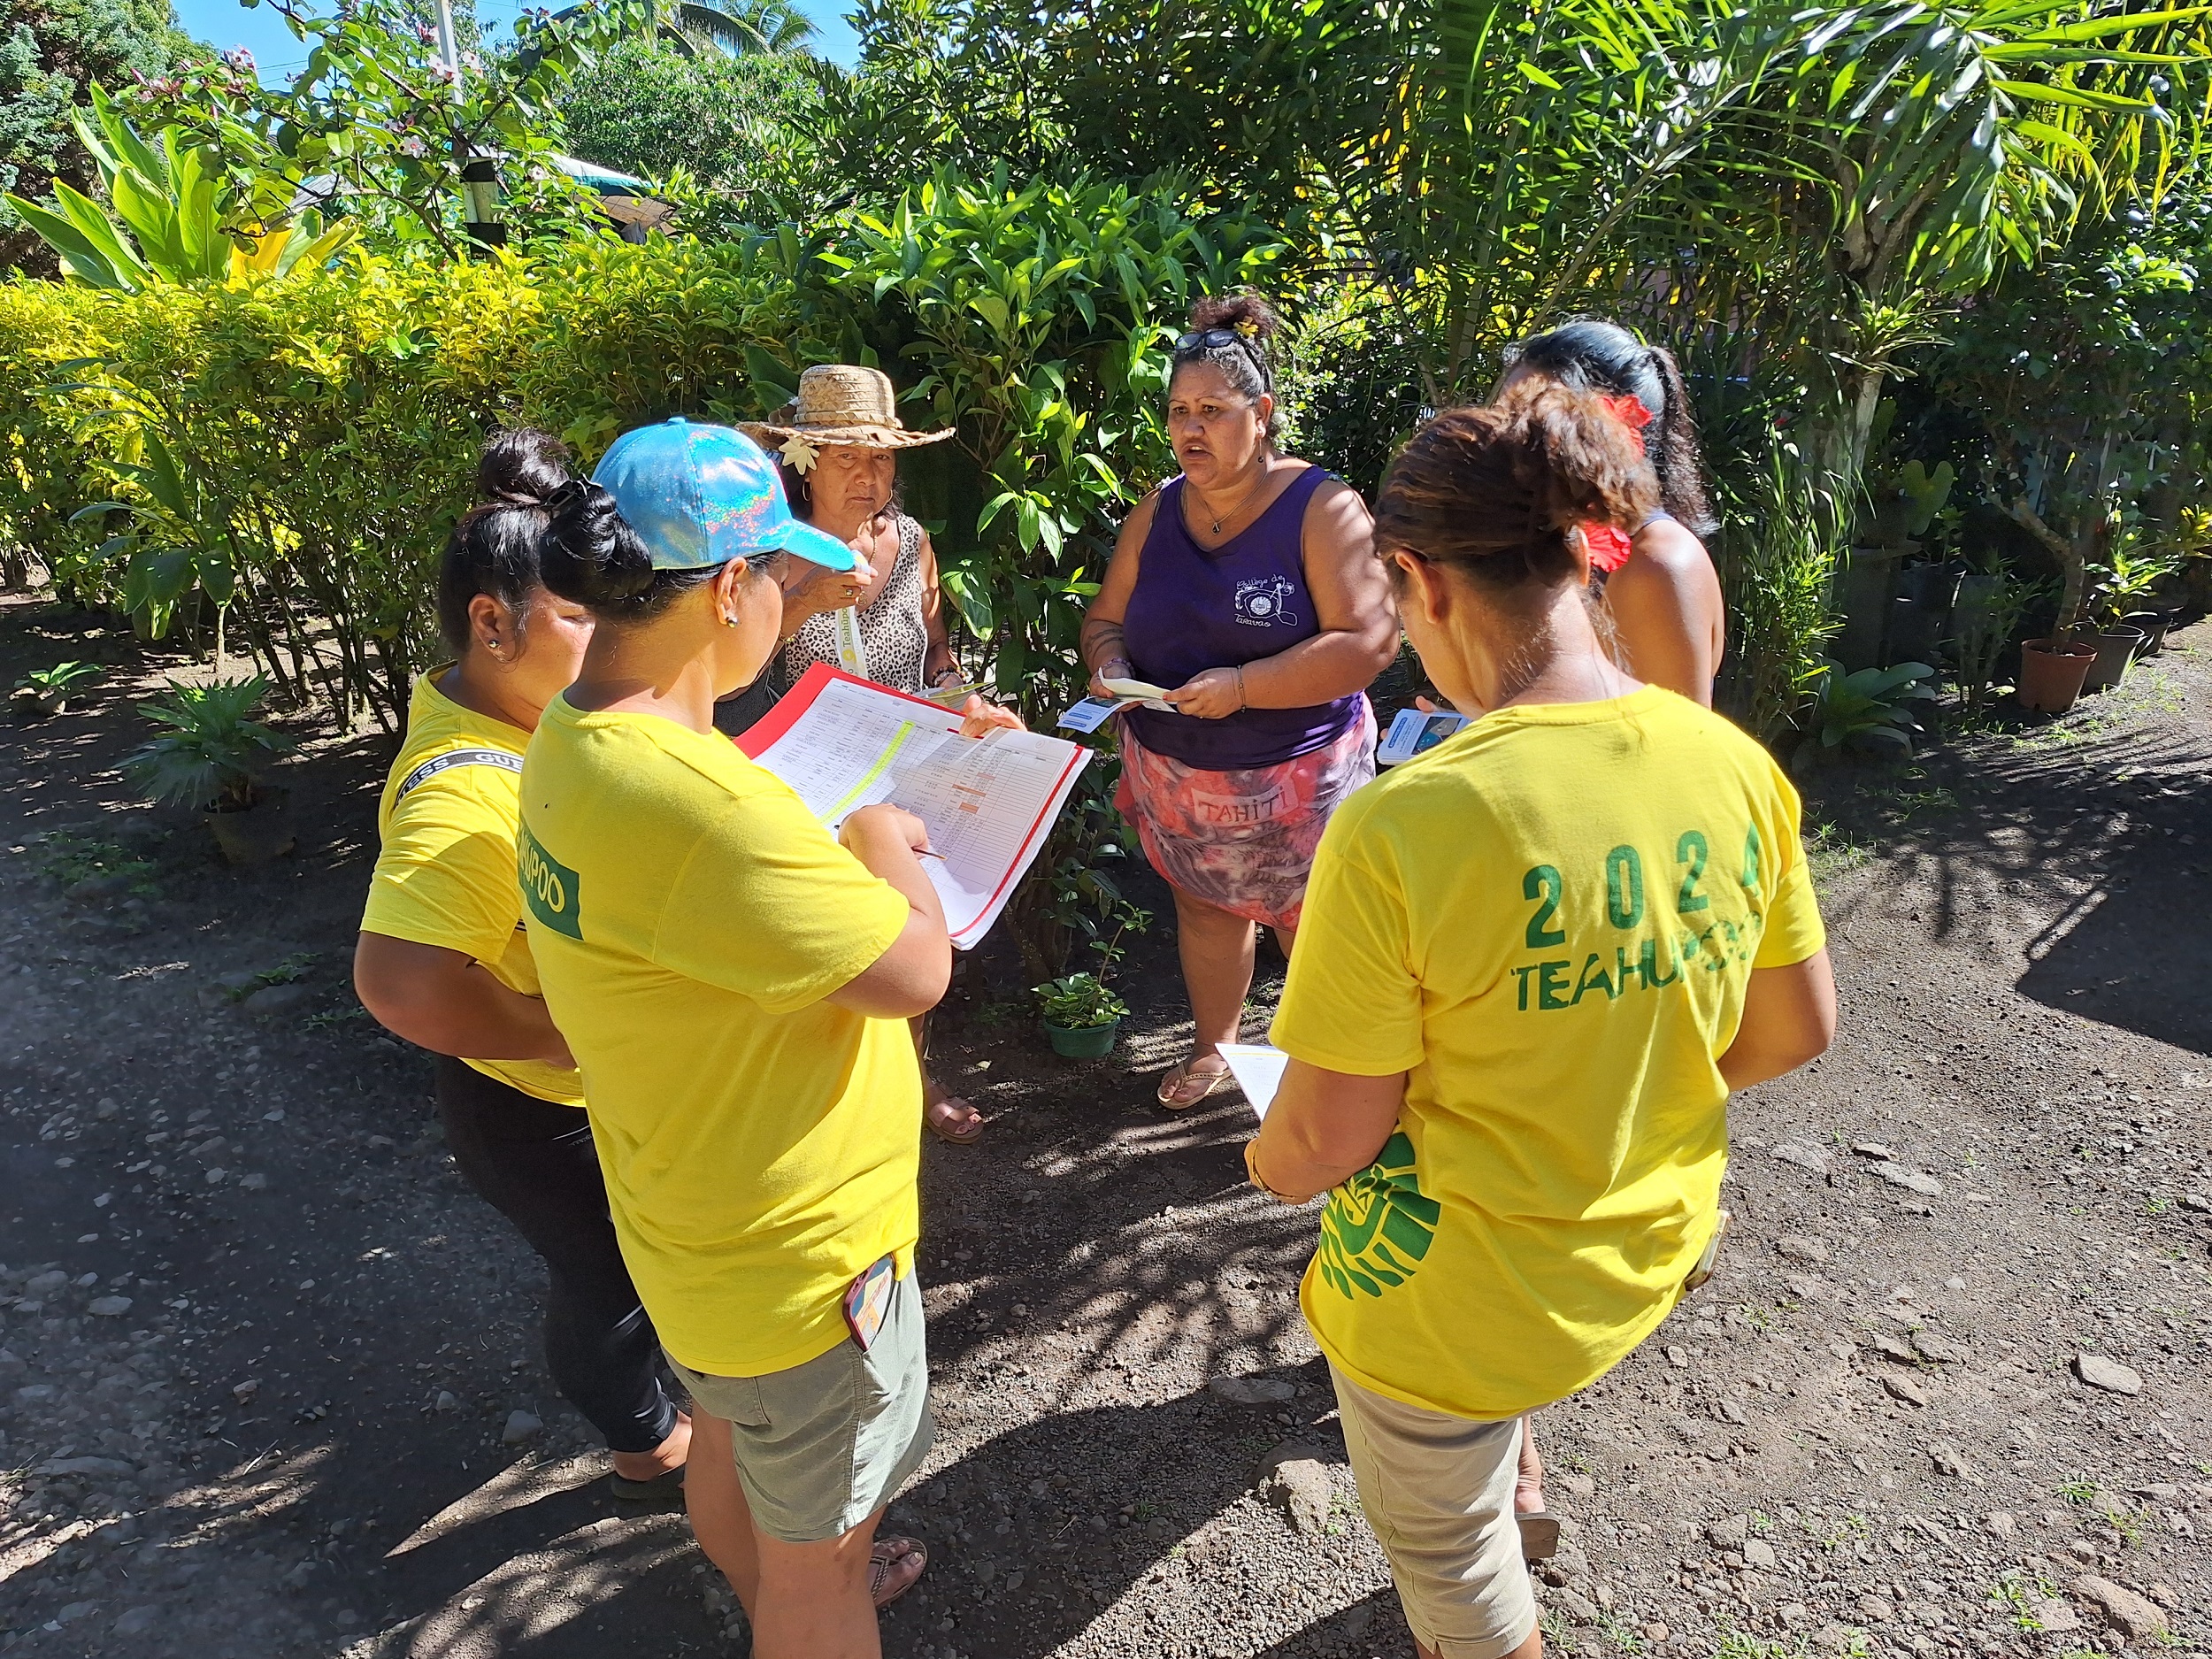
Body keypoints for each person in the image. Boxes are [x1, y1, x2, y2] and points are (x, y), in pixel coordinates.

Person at [1245, 388, 1836, 1659]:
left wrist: (1267, 1155)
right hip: (1640, 1250)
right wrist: (1616, 1073)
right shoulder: (1730, 762)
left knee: (1455, 1565)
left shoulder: (1404, 824)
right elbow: (1795, 1027)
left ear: (1423, 581)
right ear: (1584, 551)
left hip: (1447, 1311)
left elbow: (1327, 1141)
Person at [521, 417, 949, 1658]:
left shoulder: (574, 733)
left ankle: (759, 1596)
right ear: (726, 589)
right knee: (831, 1569)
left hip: (690, 1218)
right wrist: (879, 843)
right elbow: (914, 967)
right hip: (803, 1265)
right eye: (776, 575)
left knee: (726, 1435)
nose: (782, 598)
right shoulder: (688, 795)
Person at [352, 429, 693, 1508]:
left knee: (616, 1281)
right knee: (606, 1290)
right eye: (585, 616)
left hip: (562, 1096)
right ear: (491, 624)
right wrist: (562, 1030)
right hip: (542, 1110)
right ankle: (644, 1451)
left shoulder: (518, 713)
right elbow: (401, 981)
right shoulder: (468, 790)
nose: (611, 641)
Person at [1079, 294, 1397, 1109]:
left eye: (1213, 412)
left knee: (1317, 931)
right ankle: (1216, 1047)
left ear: (1260, 415)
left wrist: (1245, 687)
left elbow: (1370, 643)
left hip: (1302, 786)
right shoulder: (1156, 511)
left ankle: (1329, 1080)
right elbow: (1105, 617)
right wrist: (1110, 659)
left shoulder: (1322, 508)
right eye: (1180, 411)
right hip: (1183, 783)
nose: (1192, 429)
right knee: (1206, 912)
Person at [741, 364, 1022, 1146]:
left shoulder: (910, 543)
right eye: (848, 459)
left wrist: (962, 694)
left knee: (913, 928)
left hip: (903, 771)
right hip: (811, 780)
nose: (870, 477)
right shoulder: (773, 555)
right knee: (834, 938)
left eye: (883, 458)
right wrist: (801, 604)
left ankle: (918, 1074)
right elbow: (735, 675)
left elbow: (935, 650)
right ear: (805, 461)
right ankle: (840, 1091)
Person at [1498, 318, 1726, 703]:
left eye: (1528, 421)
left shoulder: (1657, 566)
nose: (1504, 437)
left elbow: (1676, 748)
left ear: (1603, 428)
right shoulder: (1561, 539)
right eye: (1505, 415)